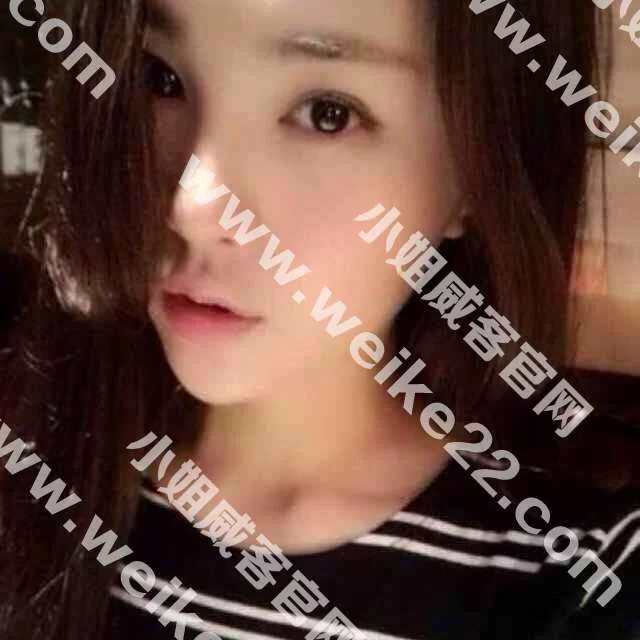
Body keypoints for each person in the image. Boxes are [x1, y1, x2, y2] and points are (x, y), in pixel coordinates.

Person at [0, 1, 638, 639]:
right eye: (157, 77)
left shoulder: (577, 567)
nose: (191, 207)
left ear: (478, 173)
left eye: (327, 114)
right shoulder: (34, 453)